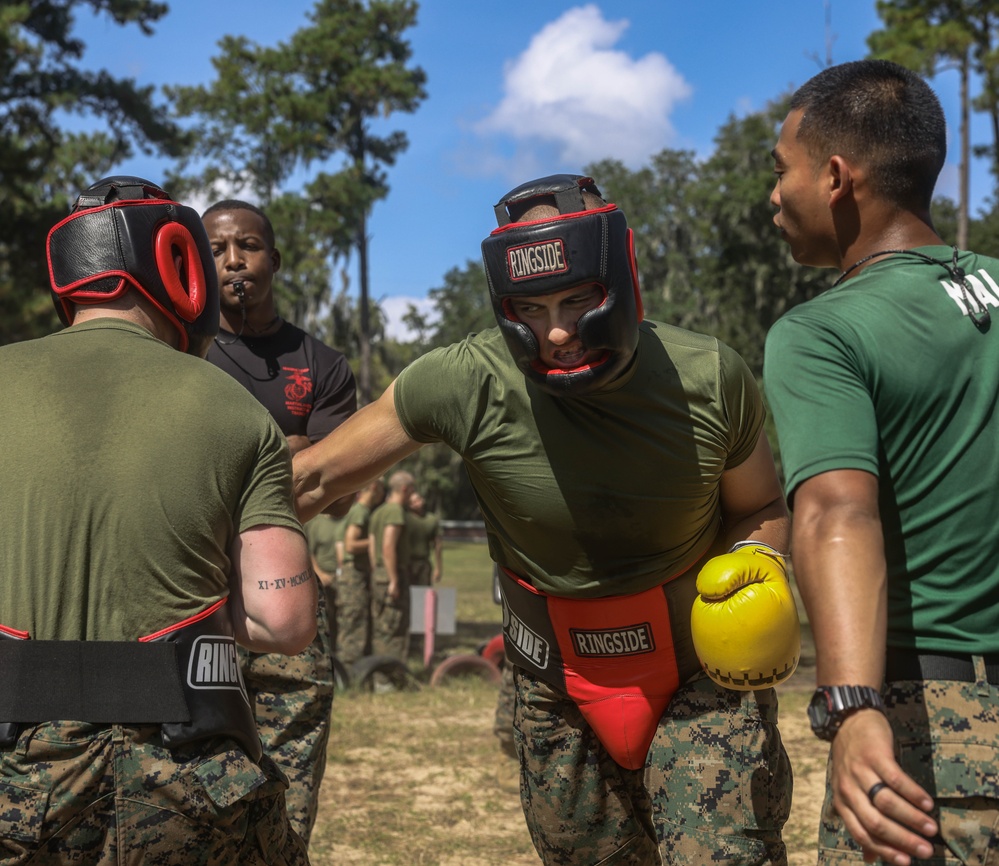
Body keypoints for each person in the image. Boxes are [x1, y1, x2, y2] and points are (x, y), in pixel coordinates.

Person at [294, 173, 800, 864]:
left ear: (619, 281)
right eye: (528, 309)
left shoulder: (709, 376)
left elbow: (760, 506)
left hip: (698, 677)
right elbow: (313, 477)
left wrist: (762, 561)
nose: (557, 331)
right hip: (555, 685)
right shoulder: (464, 378)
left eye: (576, 299)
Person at [0, 176, 315, 865]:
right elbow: (282, 621)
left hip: (14, 774)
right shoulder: (235, 409)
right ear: (179, 268)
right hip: (188, 768)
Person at [763, 59, 999, 866]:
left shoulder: (822, 332)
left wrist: (854, 705)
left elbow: (835, 511)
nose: (772, 196)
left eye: (779, 169)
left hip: (931, 743)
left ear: (834, 177)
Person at [202, 199, 357, 845]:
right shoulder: (179, 355)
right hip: (193, 597)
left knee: (289, 789)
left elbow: (339, 492)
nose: (234, 260)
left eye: (249, 245)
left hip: (285, 598)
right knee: (196, 781)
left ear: (275, 257)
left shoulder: (321, 364)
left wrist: (229, 457)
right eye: (216, 249)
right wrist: (290, 447)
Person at [368, 471, 417, 670]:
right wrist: (394, 579)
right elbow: (388, 546)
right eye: (412, 489)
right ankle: (391, 675)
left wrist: (377, 571)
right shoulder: (395, 511)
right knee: (394, 628)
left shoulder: (378, 511)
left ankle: (379, 673)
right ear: (404, 489)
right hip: (391, 574)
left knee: (381, 626)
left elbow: (373, 546)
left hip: (379, 573)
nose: (414, 494)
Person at [337, 478, 386, 667]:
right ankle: (350, 668)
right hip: (354, 575)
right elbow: (351, 544)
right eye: (381, 488)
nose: (383, 494)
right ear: (373, 487)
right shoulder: (361, 512)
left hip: (354, 574)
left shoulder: (359, 510)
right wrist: (375, 542)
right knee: (354, 620)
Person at [405, 489, 443, 586]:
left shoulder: (432, 519)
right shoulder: (405, 519)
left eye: (417, 500)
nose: (416, 503)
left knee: (423, 595)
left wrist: (438, 567)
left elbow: (437, 545)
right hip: (407, 563)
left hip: (423, 563)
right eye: (412, 502)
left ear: (422, 500)